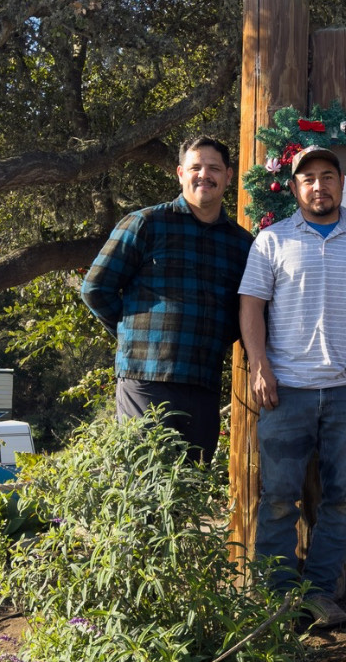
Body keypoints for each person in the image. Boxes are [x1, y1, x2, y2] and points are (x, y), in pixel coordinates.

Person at [238, 144, 346, 626]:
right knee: (277, 498)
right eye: (307, 178)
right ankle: (276, 597)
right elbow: (251, 305)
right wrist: (259, 366)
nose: (318, 185)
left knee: (341, 498)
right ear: (294, 188)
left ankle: (315, 595)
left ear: (340, 184)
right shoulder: (271, 241)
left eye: (327, 176)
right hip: (285, 388)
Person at [81, 136, 253, 460]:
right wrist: (129, 334)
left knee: (187, 489)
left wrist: (215, 338)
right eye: (196, 167)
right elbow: (95, 288)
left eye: (214, 168)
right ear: (179, 173)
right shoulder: (145, 224)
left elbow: (245, 313)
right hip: (145, 380)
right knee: (147, 485)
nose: (205, 175)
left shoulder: (242, 245)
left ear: (229, 176)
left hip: (203, 384)